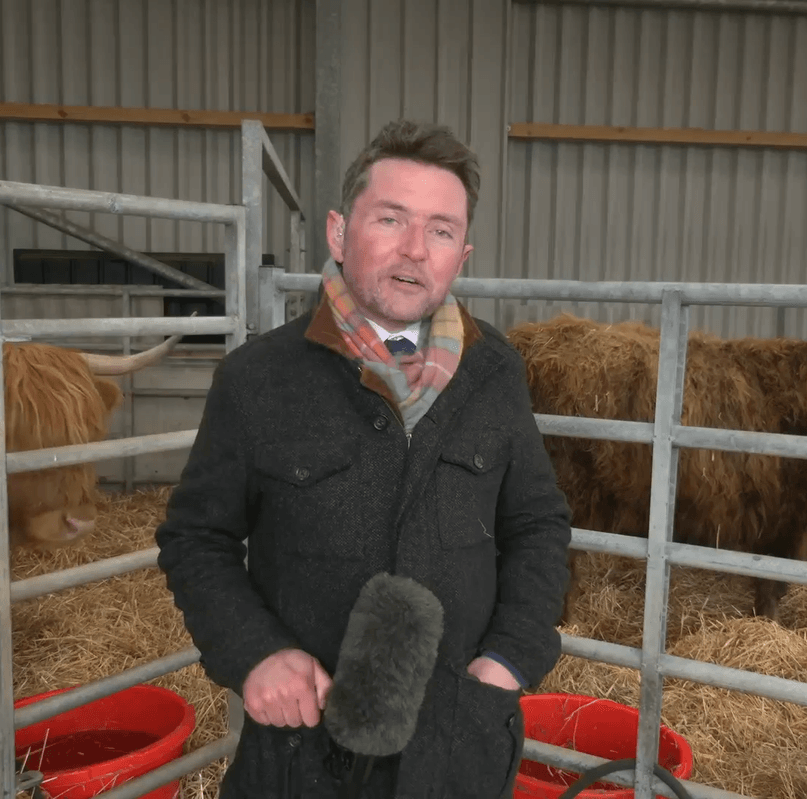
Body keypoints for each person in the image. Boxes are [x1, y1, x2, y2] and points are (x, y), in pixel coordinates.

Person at [154, 119, 572, 799]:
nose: (415, 249)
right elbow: (197, 537)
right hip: (303, 754)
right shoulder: (259, 378)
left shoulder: (494, 371)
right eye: (391, 218)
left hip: (456, 748)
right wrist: (256, 652)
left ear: (461, 253)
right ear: (339, 232)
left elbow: (538, 524)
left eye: (440, 229)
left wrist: (507, 659)